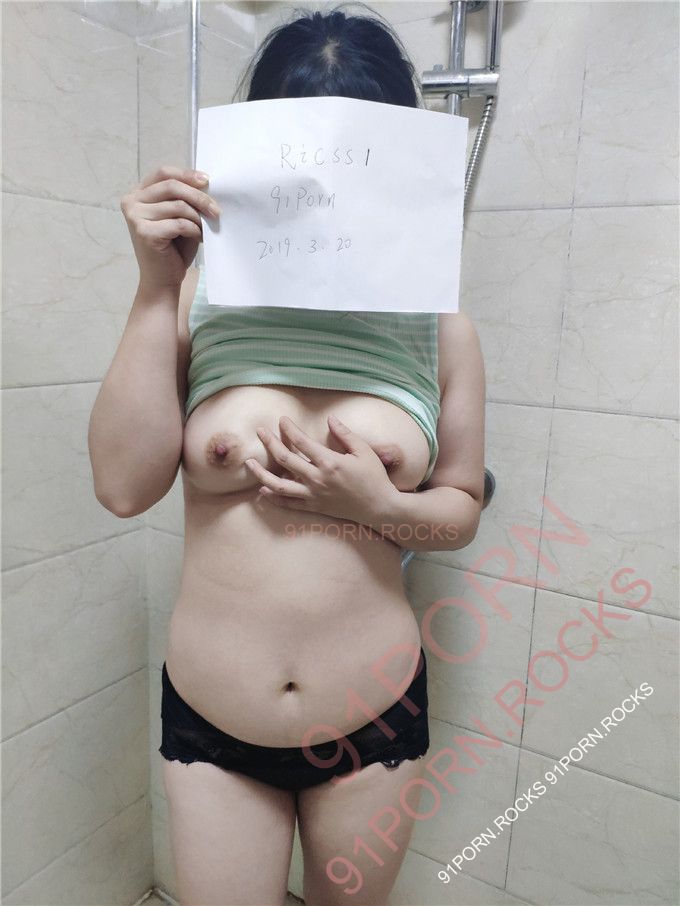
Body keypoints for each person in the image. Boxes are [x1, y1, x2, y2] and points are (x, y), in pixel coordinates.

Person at [88, 4, 486, 904]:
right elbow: (121, 487)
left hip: (371, 724)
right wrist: (156, 288)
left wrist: (380, 508)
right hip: (215, 724)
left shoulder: (443, 329)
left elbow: (461, 509)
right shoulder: (196, 303)